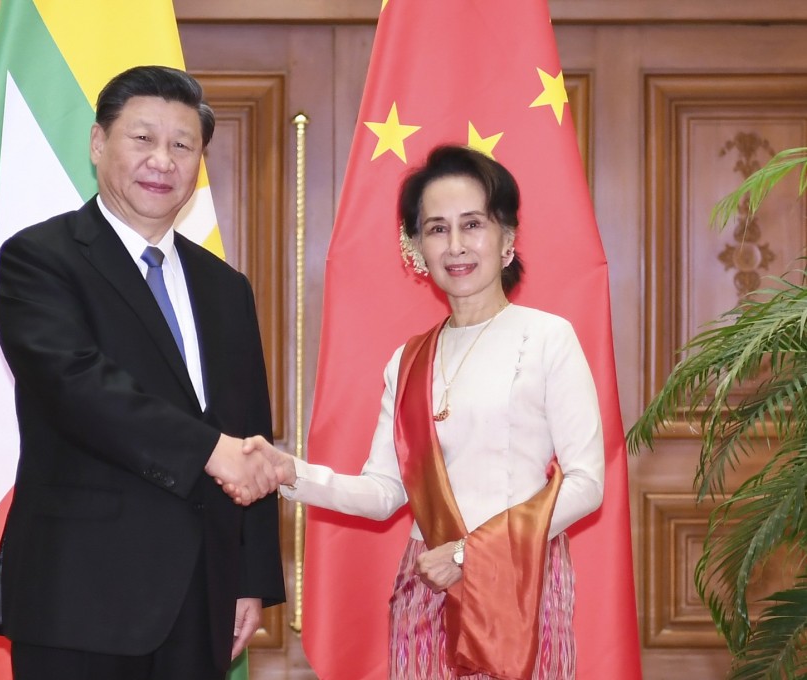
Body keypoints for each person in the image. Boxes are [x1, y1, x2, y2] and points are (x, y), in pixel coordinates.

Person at [242, 145, 604, 680]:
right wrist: (290, 473)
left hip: (517, 581)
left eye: (472, 224)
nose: (456, 246)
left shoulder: (548, 337)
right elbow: (384, 492)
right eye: (436, 229)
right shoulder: (408, 361)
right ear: (414, 247)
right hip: (427, 583)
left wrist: (469, 555)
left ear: (506, 238)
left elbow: (586, 482)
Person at [0, 65, 285, 680]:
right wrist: (208, 451)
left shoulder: (226, 288)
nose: (162, 161)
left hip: (202, 593)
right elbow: (77, 387)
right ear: (97, 143)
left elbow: (248, 427)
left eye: (182, 145)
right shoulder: (40, 259)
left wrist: (250, 580)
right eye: (142, 139)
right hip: (81, 593)